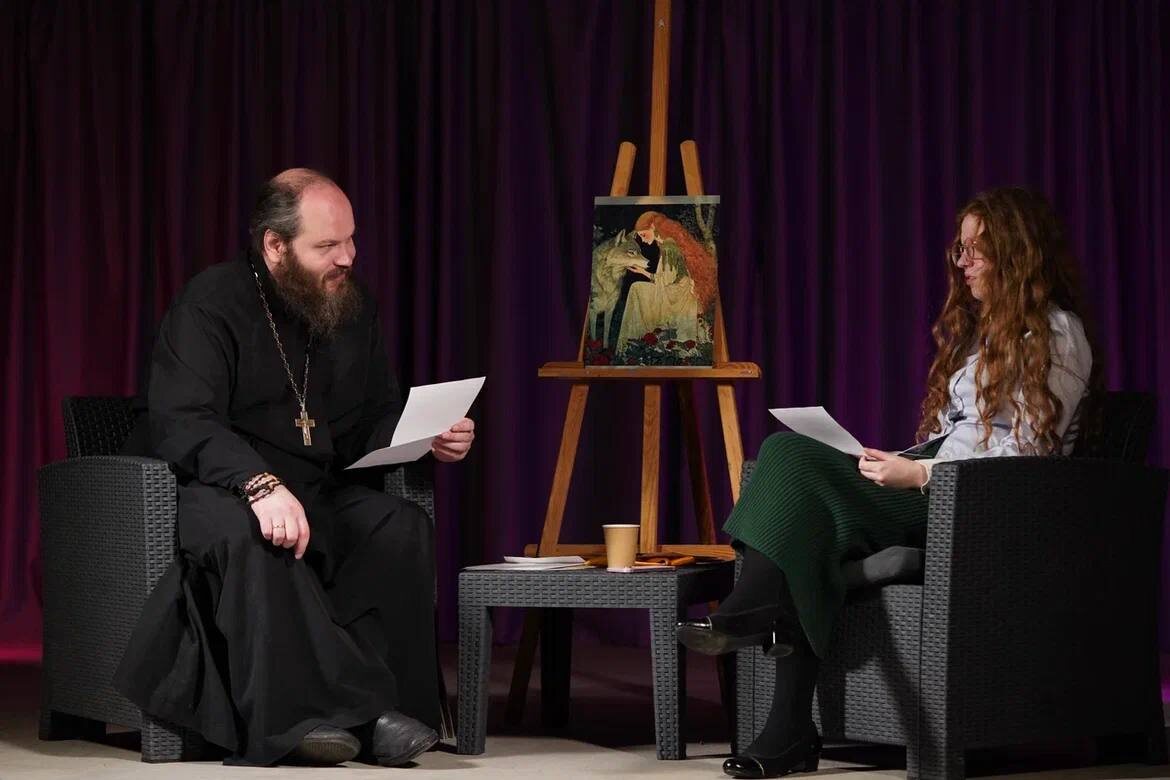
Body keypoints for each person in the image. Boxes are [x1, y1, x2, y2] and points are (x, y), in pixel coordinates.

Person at [676, 188, 1097, 779]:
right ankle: (786, 724)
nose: (964, 261)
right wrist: (896, 460)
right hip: (935, 486)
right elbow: (957, 436)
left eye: (977, 248)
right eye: (961, 249)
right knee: (799, 497)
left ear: (1017, 251)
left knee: (787, 455)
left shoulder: (1056, 332)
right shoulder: (986, 335)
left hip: (977, 507)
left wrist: (919, 474)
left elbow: (1029, 453)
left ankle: (757, 622)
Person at [114, 168, 476, 768]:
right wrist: (259, 485)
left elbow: (364, 422)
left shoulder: (349, 307)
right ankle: (338, 720)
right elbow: (185, 418)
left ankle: (396, 710)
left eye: (351, 240)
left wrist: (424, 436)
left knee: (397, 525)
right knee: (262, 534)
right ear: (275, 246)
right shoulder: (211, 303)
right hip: (210, 485)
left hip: (313, 486)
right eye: (327, 245)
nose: (347, 258)